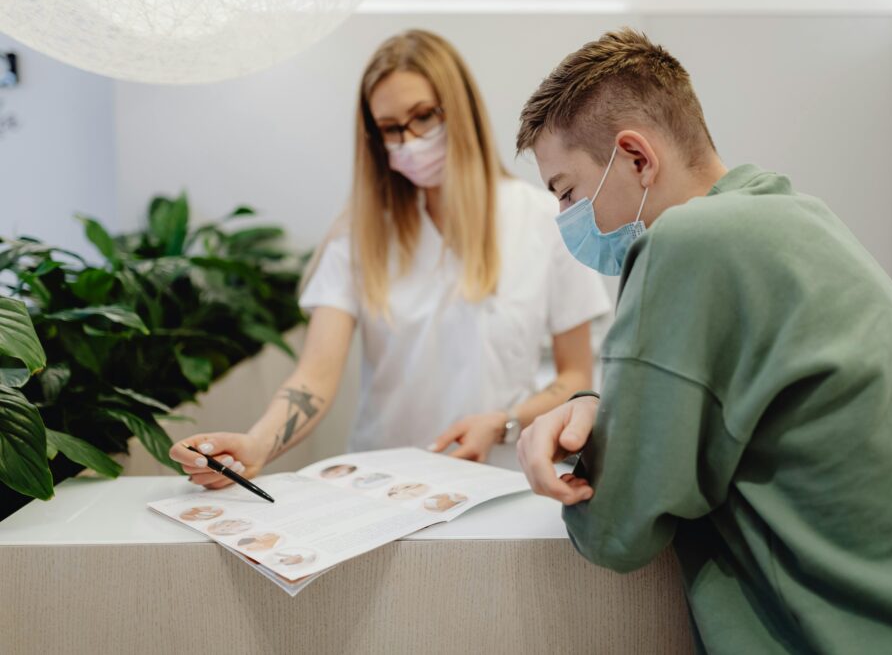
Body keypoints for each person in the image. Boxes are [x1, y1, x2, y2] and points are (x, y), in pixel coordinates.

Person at [515, 28, 892, 653]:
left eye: (567, 192)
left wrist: (570, 454)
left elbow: (618, 531)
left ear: (637, 157)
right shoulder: (796, 216)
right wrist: (601, 408)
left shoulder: (685, 245)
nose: (569, 219)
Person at [168, 29, 609, 487]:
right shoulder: (361, 237)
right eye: (391, 129)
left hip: (498, 479)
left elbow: (574, 374)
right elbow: (314, 377)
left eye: (423, 117)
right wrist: (258, 444)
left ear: (460, 109)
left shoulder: (541, 219)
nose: (411, 140)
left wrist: (503, 422)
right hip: (382, 485)